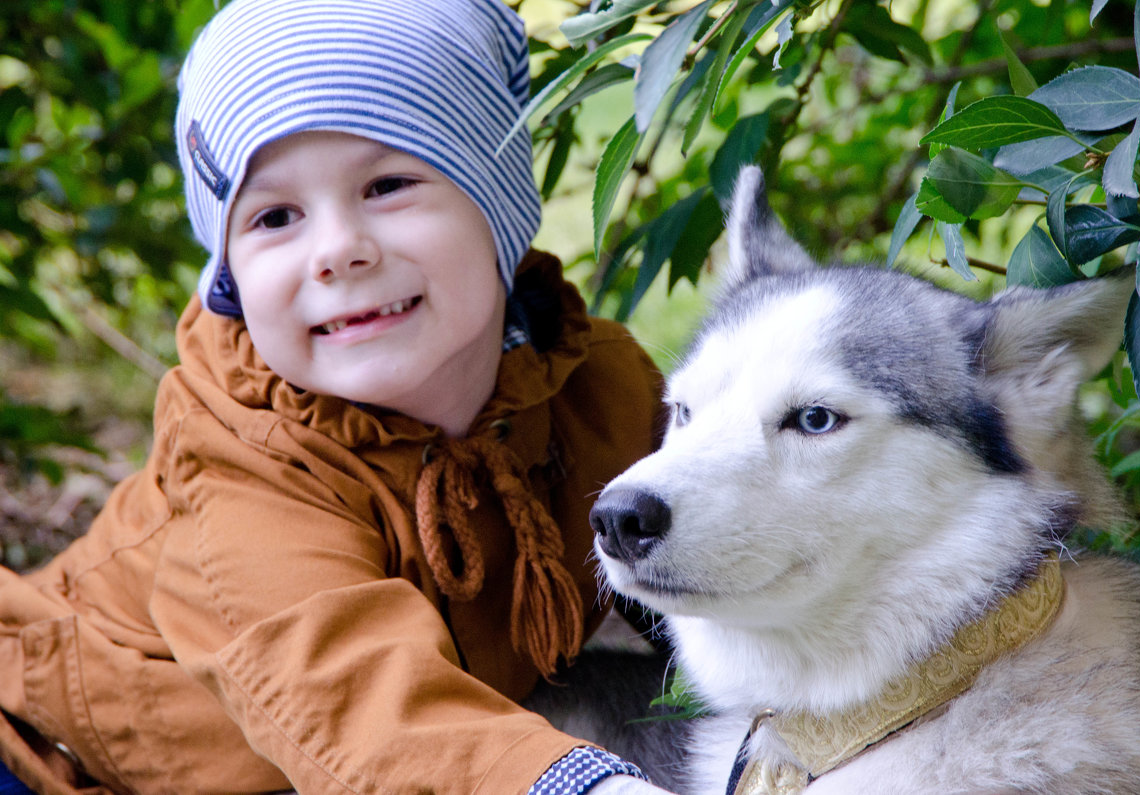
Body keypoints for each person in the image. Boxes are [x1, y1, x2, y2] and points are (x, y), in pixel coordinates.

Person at [0, 0, 673, 792]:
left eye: (387, 184)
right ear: (229, 275)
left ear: (500, 206)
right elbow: (363, 703)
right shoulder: (246, 469)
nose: (338, 251)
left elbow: (715, 549)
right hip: (53, 753)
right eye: (275, 215)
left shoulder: (604, 389)